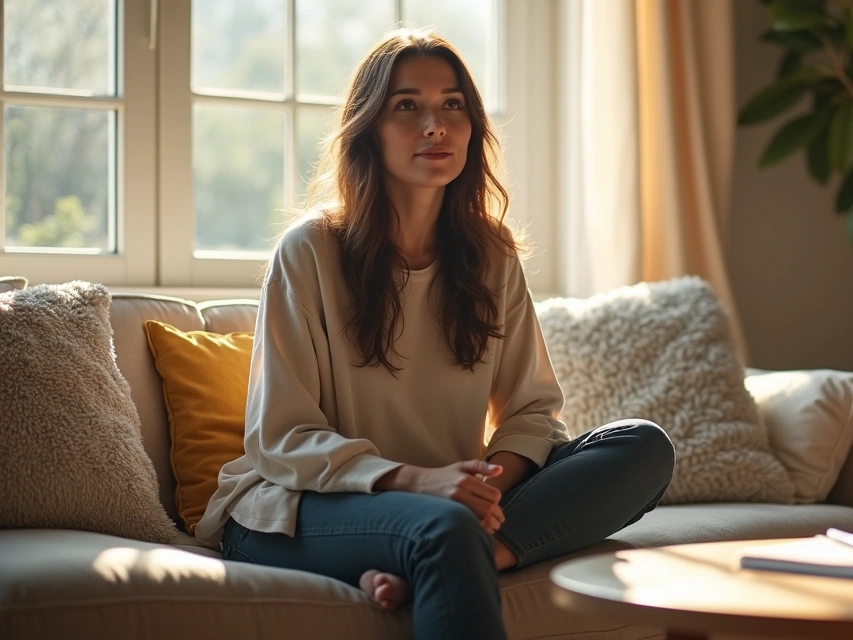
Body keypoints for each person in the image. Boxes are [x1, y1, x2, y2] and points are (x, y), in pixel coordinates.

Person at [192, 28, 675, 640]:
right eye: (407, 106)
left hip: (443, 507)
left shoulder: (490, 255)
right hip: (294, 509)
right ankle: (448, 547)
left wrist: (479, 489)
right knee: (440, 528)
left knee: (641, 447)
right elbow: (281, 438)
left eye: (452, 105)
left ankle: (459, 555)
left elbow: (531, 412)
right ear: (368, 129)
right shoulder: (310, 250)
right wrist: (423, 483)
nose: (435, 125)